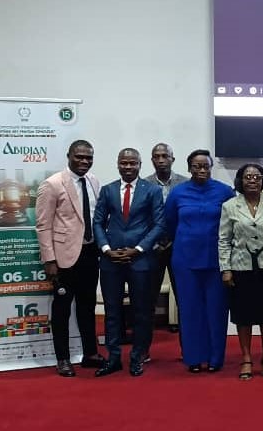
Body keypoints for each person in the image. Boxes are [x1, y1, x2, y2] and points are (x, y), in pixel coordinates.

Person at [92, 148, 165, 377]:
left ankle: (137, 357)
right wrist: (106, 250)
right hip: (111, 260)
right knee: (112, 311)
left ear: (140, 165)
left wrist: (138, 249)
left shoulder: (152, 190)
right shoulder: (107, 190)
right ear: (118, 164)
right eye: (124, 163)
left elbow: (159, 224)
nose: (128, 167)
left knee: (141, 312)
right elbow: (97, 223)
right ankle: (113, 358)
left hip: (140, 260)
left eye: (133, 163)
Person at [36, 140, 105, 377]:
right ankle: (63, 358)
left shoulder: (94, 181)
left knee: (87, 306)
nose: (84, 161)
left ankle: (90, 353)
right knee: (62, 309)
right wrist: (49, 260)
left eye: (88, 158)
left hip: (90, 253)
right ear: (69, 156)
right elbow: (43, 225)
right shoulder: (52, 184)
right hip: (63, 258)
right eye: (79, 157)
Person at [164, 149, 235, 373]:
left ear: (211, 167)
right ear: (189, 168)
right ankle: (193, 358)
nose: (201, 170)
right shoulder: (178, 192)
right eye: (196, 166)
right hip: (185, 260)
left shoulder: (225, 191)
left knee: (216, 310)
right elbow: (170, 222)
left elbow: (233, 222)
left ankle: (215, 359)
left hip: (217, 260)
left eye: (205, 166)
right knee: (190, 310)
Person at [219, 164, 263, 380]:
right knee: (244, 315)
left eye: (257, 177)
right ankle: (247, 359)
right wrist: (226, 268)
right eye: (248, 177)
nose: (252, 180)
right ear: (240, 180)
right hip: (241, 267)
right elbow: (224, 240)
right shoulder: (230, 206)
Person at [144, 143, 188, 338]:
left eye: (165, 156)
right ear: (152, 160)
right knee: (148, 298)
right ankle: (144, 346)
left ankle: (188, 346)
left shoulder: (185, 184)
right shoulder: (144, 184)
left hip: (179, 247)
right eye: (157, 156)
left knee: (184, 297)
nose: (161, 160)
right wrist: (153, 242)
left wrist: (174, 240)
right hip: (152, 248)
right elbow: (142, 218)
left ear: (173, 159)